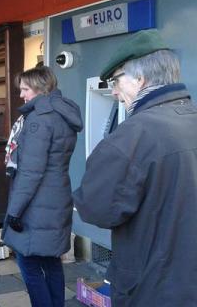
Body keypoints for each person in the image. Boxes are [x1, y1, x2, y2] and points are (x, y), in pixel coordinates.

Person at [73, 29, 197, 306]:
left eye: (116, 81)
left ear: (140, 78)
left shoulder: (131, 136)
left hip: (153, 287)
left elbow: (95, 208)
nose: (114, 92)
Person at [1, 66, 83, 307]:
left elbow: (30, 172)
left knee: (28, 262)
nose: (21, 95)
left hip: (36, 203)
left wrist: (14, 211)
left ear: (40, 88)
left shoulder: (39, 119)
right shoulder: (63, 113)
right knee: (50, 260)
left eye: (25, 89)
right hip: (56, 197)